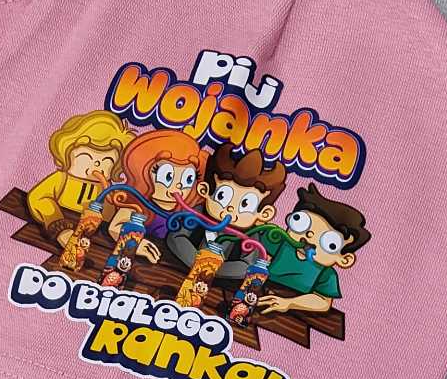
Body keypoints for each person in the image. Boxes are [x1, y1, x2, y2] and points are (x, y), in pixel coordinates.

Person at [166, 143, 287, 281]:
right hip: (175, 272)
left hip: (218, 286)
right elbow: (175, 237)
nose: (230, 209)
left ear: (264, 213)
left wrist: (213, 269)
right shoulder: (197, 214)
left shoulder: (250, 234)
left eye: (246, 204)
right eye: (222, 196)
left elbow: (247, 265)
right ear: (205, 190)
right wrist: (199, 263)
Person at [252, 184, 370, 315]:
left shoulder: (326, 274)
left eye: (330, 243)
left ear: (345, 259)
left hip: (291, 310)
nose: (309, 235)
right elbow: (257, 241)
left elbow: (324, 302)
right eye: (301, 222)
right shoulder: (281, 243)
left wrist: (289, 303)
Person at [104, 128, 207, 264]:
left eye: (188, 179)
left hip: (166, 266)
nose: (178, 186)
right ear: (144, 173)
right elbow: (115, 227)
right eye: (167, 176)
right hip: (127, 260)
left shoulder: (187, 213)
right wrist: (135, 244)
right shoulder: (138, 203)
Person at [25, 110, 134, 239]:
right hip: (62, 232)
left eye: (107, 160)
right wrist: (56, 221)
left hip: (97, 241)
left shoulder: (109, 190)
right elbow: (38, 198)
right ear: (67, 153)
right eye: (86, 156)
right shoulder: (61, 179)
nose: (97, 164)